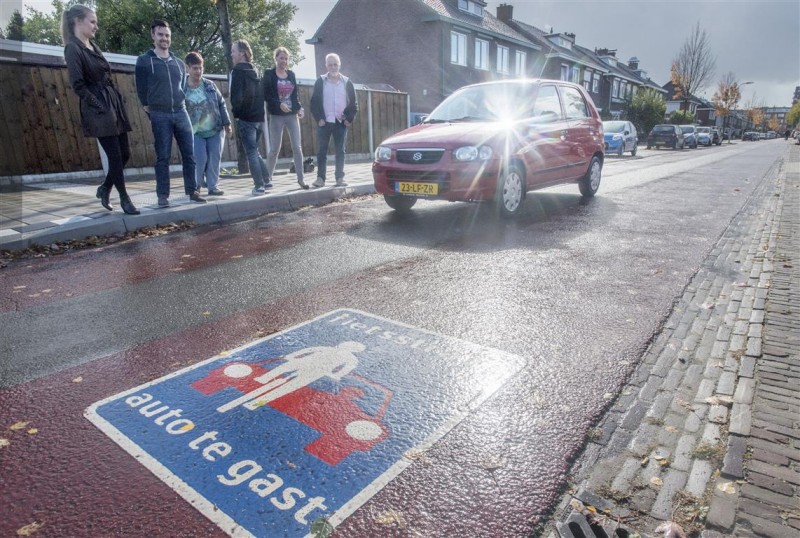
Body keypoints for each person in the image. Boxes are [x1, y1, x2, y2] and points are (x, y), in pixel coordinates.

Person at [62, 5, 139, 215]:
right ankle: (124, 199)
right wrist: (100, 106)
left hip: (112, 104)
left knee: (124, 154)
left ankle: (105, 188)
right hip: (99, 109)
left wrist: (114, 101)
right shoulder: (73, 48)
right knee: (115, 156)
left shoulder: (92, 45)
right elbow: (78, 85)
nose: (96, 26)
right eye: (92, 22)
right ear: (78, 21)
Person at [135, 19, 206, 207]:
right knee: (163, 156)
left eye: (167, 35)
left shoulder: (178, 63)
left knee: (189, 155)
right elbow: (141, 89)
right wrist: (148, 107)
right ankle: (162, 196)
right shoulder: (144, 61)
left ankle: (192, 191)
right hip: (159, 114)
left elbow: (182, 86)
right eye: (160, 35)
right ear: (153, 36)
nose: (164, 38)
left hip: (181, 112)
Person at [184, 52, 232, 197]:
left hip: (214, 129)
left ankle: (213, 186)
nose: (198, 71)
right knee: (199, 159)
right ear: (188, 68)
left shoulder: (210, 85)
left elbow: (221, 104)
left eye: (200, 68)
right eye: (195, 68)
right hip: (194, 132)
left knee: (214, 158)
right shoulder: (182, 87)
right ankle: (197, 185)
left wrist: (227, 123)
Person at [230, 40, 271, 196]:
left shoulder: (238, 72)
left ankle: (259, 185)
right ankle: (267, 180)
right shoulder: (256, 71)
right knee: (255, 151)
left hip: (246, 118)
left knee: (251, 152)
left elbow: (237, 98)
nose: (231, 54)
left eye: (233, 51)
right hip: (259, 118)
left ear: (242, 53)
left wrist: (237, 114)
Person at [310, 53, 358, 188]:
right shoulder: (320, 81)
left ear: (339, 65)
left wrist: (349, 119)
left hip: (340, 122)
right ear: (326, 66)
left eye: (335, 64)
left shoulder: (347, 82)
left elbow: (354, 104)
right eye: (330, 64)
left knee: (340, 152)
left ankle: (339, 178)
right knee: (321, 151)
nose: (333, 67)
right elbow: (314, 103)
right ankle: (320, 178)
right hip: (324, 122)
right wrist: (319, 118)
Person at [263, 47, 308, 190]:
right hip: (277, 116)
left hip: (292, 115)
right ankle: (267, 179)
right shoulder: (269, 74)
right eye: (281, 58)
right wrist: (278, 104)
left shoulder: (291, 75)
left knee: (297, 147)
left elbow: (295, 96)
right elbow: (266, 95)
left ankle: (301, 179)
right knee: (274, 148)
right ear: (275, 58)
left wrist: (300, 108)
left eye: (286, 58)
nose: (284, 61)